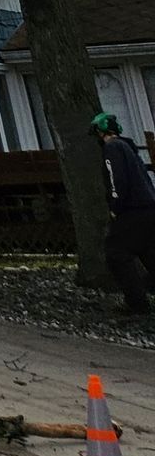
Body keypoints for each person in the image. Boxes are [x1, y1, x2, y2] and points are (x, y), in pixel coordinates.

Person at [95, 112, 155, 317]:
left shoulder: (112, 148)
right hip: (149, 207)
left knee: (116, 254)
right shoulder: (130, 147)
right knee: (147, 251)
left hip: (131, 209)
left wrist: (115, 205)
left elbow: (116, 179)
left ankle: (137, 303)